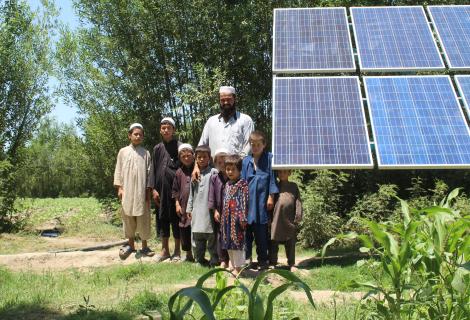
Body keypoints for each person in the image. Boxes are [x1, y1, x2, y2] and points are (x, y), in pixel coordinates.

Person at [194, 86, 254, 179]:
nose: (226, 102)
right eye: (223, 100)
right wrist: (196, 166)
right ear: (219, 100)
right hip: (213, 174)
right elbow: (201, 147)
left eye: (229, 99)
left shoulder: (245, 120)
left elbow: (249, 146)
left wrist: (234, 164)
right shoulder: (211, 121)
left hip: (237, 174)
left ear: (235, 99)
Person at [113, 123, 154, 259]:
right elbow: (118, 170)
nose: (138, 136)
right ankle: (130, 245)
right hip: (127, 190)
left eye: (140, 134)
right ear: (129, 136)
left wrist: (149, 190)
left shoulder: (146, 153)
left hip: (142, 191)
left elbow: (150, 173)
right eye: (135, 134)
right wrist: (119, 188)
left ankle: (144, 246)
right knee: (128, 218)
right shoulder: (122, 152)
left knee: (143, 218)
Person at [241, 131, 278, 269]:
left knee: (261, 233)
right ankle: (247, 259)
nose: (255, 147)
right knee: (247, 233)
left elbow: (273, 180)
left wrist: (271, 196)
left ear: (264, 145)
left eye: (258, 145)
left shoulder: (269, 158)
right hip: (248, 203)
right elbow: (242, 183)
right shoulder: (246, 161)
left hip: (262, 202)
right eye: (252, 145)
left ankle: (263, 260)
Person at [150, 117, 181, 262]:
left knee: (176, 220)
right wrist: (153, 190)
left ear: (173, 130)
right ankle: (164, 251)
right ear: (160, 130)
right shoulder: (157, 148)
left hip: (176, 192)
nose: (166, 130)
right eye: (163, 127)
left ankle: (177, 251)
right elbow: (153, 170)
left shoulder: (180, 147)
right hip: (160, 191)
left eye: (169, 127)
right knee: (162, 219)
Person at [187, 145, 218, 266]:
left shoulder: (214, 173)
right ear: (195, 158)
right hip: (196, 210)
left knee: (211, 236)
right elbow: (191, 193)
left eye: (204, 157)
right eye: (199, 157)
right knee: (196, 235)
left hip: (209, 211)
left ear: (209, 158)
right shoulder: (194, 174)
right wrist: (189, 208)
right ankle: (199, 259)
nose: (202, 159)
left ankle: (214, 259)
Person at [221, 155, 249, 276]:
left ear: (239, 170)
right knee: (228, 243)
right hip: (227, 219)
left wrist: (243, 217)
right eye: (228, 169)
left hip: (237, 219)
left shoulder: (243, 184)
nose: (230, 172)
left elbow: (244, 201)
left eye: (233, 169)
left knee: (237, 243)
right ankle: (233, 265)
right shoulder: (227, 184)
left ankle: (239, 268)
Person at [270, 170, 302, 270]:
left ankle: (291, 263)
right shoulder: (274, 186)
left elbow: (298, 200)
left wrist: (299, 214)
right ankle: (272, 263)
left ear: (289, 173)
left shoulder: (293, 186)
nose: (282, 174)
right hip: (276, 219)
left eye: (284, 172)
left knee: (291, 242)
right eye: (279, 172)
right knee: (273, 242)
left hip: (289, 219)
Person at [172, 143, 195, 262]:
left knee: (196, 230)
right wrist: (177, 204)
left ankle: (199, 254)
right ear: (180, 158)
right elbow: (175, 190)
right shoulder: (178, 172)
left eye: (188, 155)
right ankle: (188, 254)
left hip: (196, 206)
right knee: (184, 229)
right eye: (183, 156)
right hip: (183, 206)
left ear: (193, 155)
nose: (186, 158)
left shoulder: (198, 170)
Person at [208, 148, 230, 268]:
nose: (222, 165)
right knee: (220, 235)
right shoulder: (215, 178)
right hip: (219, 212)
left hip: (232, 212)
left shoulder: (234, 176)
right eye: (219, 163)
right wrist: (215, 210)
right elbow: (211, 195)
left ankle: (231, 259)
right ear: (216, 163)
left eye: (224, 162)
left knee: (231, 234)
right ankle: (222, 259)